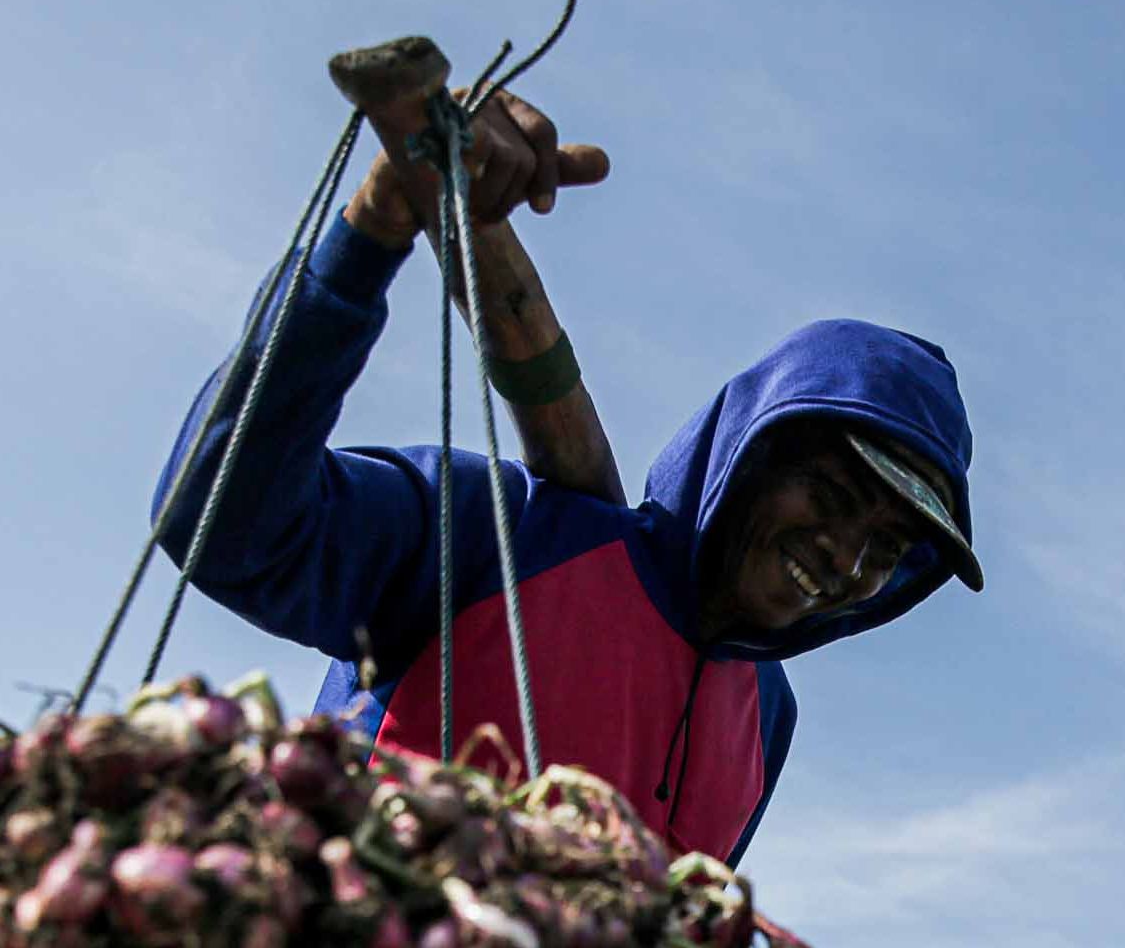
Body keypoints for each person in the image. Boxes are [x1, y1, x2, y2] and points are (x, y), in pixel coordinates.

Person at [155, 80, 985, 862]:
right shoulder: (506, 534)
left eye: (885, 549)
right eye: (832, 497)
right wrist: (375, 226)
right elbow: (221, 522)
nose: (844, 561)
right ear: (750, 458)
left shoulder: (766, 719)